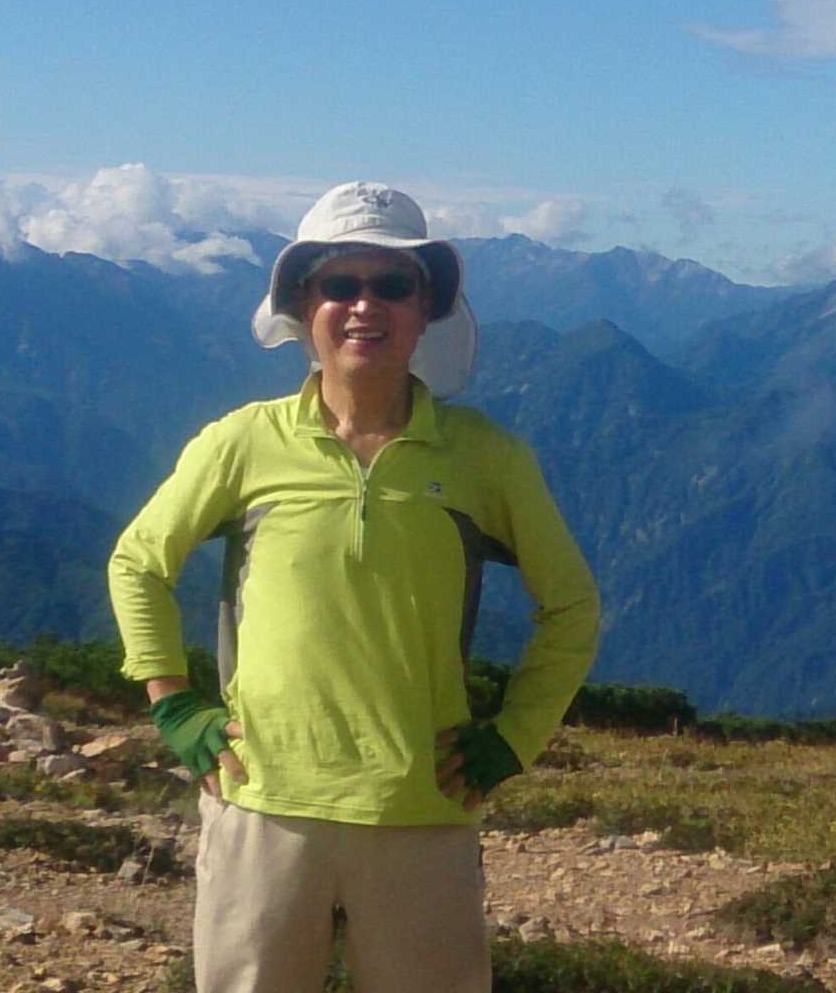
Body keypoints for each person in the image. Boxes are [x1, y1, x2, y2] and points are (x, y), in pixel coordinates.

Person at [108, 181, 601, 993]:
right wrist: (174, 705)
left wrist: (515, 738)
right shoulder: (243, 442)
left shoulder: (487, 458)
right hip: (260, 797)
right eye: (340, 283)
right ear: (305, 305)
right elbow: (138, 562)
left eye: (393, 285)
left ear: (426, 308)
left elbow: (572, 607)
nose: (364, 305)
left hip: (422, 808)